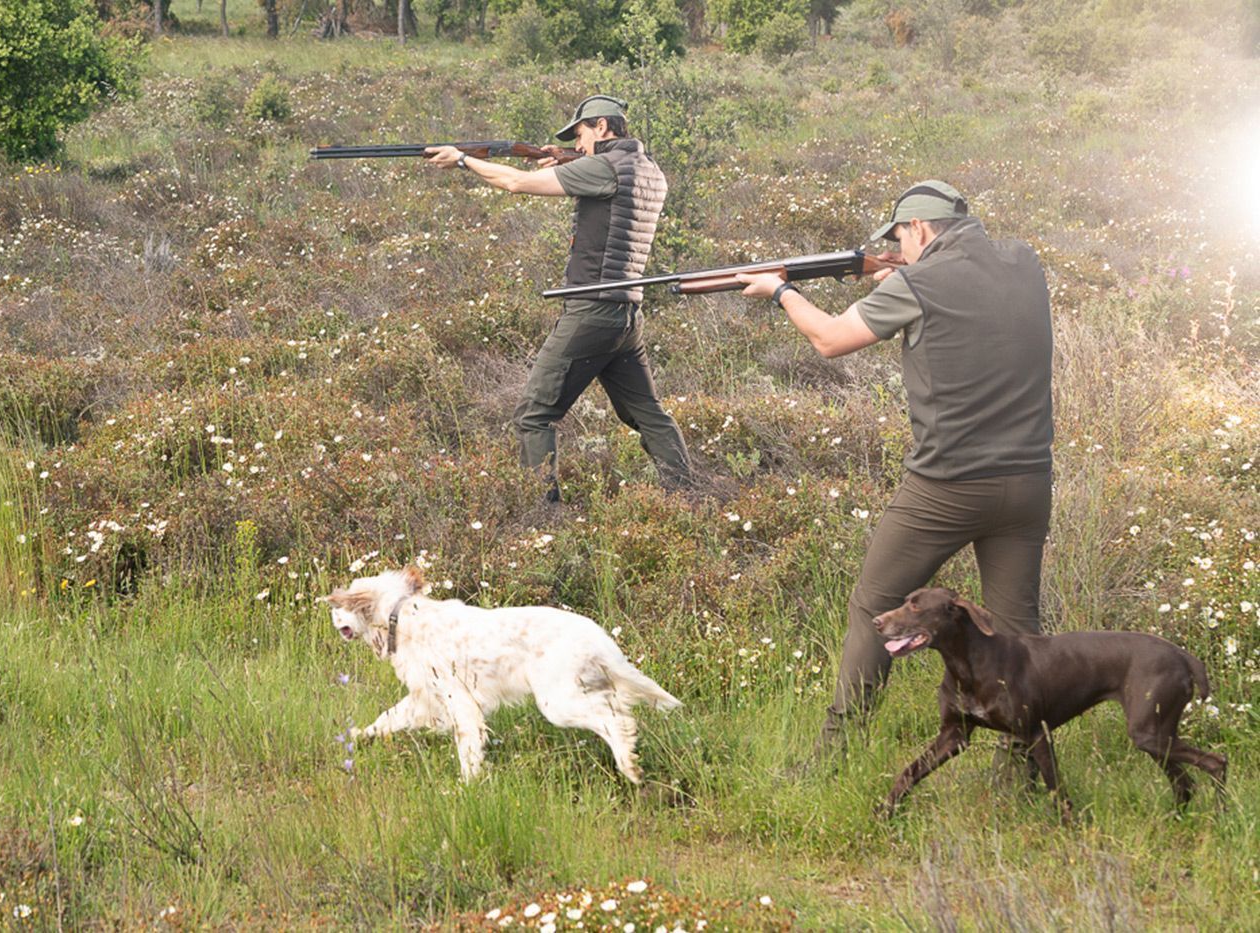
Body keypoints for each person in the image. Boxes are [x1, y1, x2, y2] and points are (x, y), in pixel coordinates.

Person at [735, 180, 1054, 761]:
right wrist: (900, 282)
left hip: (947, 485)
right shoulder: (1024, 261)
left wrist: (781, 291)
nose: (898, 249)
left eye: (901, 238)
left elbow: (830, 339)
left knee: (875, 606)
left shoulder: (919, 280)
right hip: (1030, 482)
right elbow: (974, 305)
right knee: (1013, 632)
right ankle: (1024, 772)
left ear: (921, 230)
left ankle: (833, 757)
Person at [425, 95, 692, 502]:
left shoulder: (604, 167)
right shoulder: (650, 169)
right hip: (626, 315)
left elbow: (515, 182)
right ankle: (688, 493)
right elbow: (613, 192)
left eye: (581, 134)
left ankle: (542, 515)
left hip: (592, 311)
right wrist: (570, 161)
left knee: (533, 416)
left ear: (602, 127)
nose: (578, 143)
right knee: (648, 415)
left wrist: (463, 160)